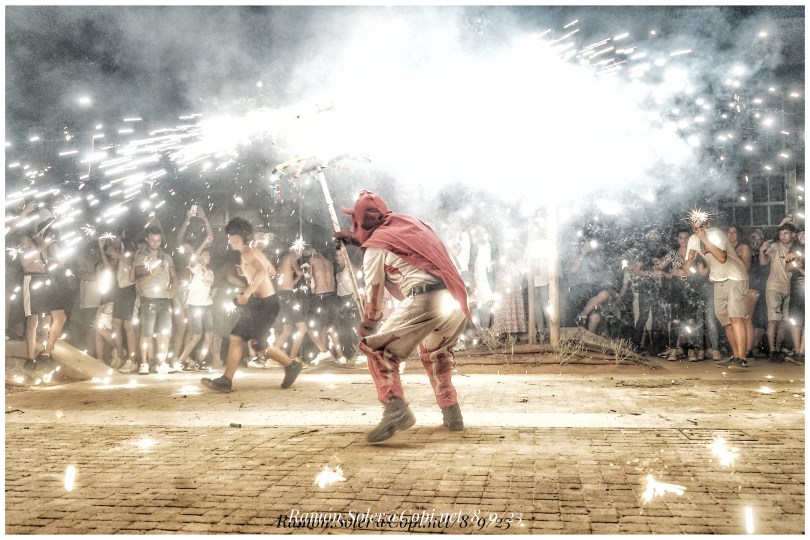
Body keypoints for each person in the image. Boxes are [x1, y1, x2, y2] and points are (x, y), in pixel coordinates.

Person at [335, 190, 472, 444]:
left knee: (378, 350)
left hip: (425, 299)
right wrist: (356, 241)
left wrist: (369, 324)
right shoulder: (409, 224)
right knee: (436, 354)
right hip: (454, 298)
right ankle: (452, 413)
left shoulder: (375, 248)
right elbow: (400, 247)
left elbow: (374, 293)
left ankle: (395, 408)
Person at [201, 217, 302, 393]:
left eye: (230, 237)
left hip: (264, 304)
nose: (228, 240)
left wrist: (246, 294)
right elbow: (271, 271)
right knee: (248, 341)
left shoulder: (247, 254)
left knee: (249, 341)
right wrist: (248, 273)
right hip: (264, 303)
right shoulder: (254, 252)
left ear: (237, 238)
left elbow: (262, 272)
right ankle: (289, 366)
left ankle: (290, 365)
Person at [685, 212, 749, 369]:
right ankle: (735, 356)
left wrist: (705, 239)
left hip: (735, 277)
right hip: (717, 280)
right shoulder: (692, 240)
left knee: (735, 317)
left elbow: (722, 258)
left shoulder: (716, 234)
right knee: (726, 321)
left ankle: (742, 359)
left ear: (707, 223)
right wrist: (688, 262)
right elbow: (687, 267)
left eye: (701, 224)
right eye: (694, 224)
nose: (698, 227)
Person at [133, 225, 177, 374]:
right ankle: (144, 364)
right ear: (147, 239)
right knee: (147, 332)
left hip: (165, 300)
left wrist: (173, 289)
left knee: (165, 332)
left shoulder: (167, 257)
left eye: (158, 240)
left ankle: (162, 363)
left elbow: (174, 277)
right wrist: (152, 273)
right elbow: (138, 281)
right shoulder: (141, 257)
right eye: (152, 240)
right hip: (149, 299)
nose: (155, 243)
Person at [759, 221, 798, 362]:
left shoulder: (797, 249)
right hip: (774, 286)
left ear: (793, 235)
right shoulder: (775, 246)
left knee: (784, 321)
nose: (783, 236)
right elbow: (763, 262)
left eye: (786, 233)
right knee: (773, 319)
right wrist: (761, 250)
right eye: (781, 233)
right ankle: (772, 351)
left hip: (790, 288)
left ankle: (778, 349)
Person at [727, 225, 758, 359]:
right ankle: (740, 350)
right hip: (734, 287)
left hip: (748, 286)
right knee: (736, 319)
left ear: (739, 234)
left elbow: (746, 267)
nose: (731, 235)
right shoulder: (727, 248)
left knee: (746, 318)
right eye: (729, 232)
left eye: (734, 232)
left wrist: (733, 257)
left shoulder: (744, 247)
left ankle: (748, 349)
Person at [784, 228, 804, 365]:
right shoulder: (795, 248)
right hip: (796, 290)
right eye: (800, 233)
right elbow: (787, 268)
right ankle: (797, 352)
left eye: (805, 233)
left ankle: (802, 352)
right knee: (795, 320)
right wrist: (798, 263)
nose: (802, 235)